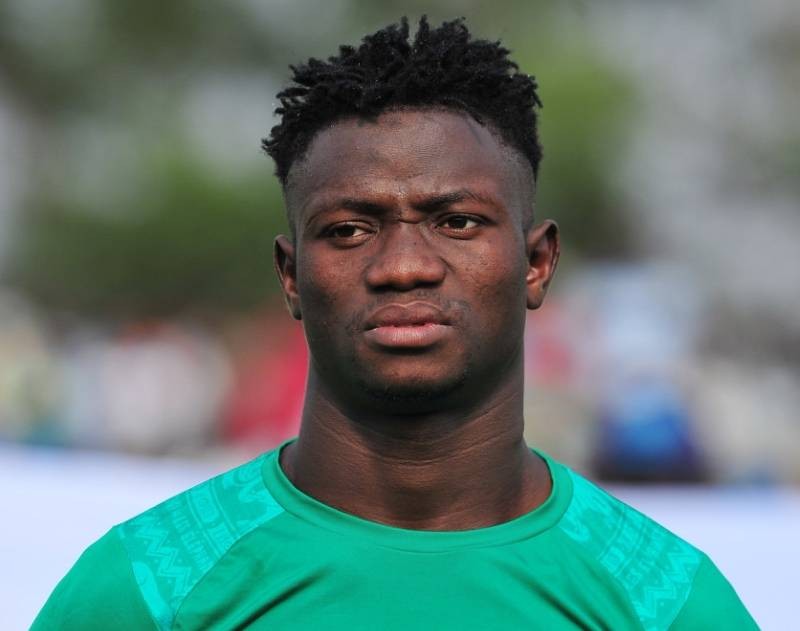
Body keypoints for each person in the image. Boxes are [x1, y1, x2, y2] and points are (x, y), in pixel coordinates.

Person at [33, 17, 758, 630]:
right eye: (349, 230)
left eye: (458, 221)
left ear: (537, 263)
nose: (404, 266)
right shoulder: (145, 590)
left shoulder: (668, 604)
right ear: (291, 275)